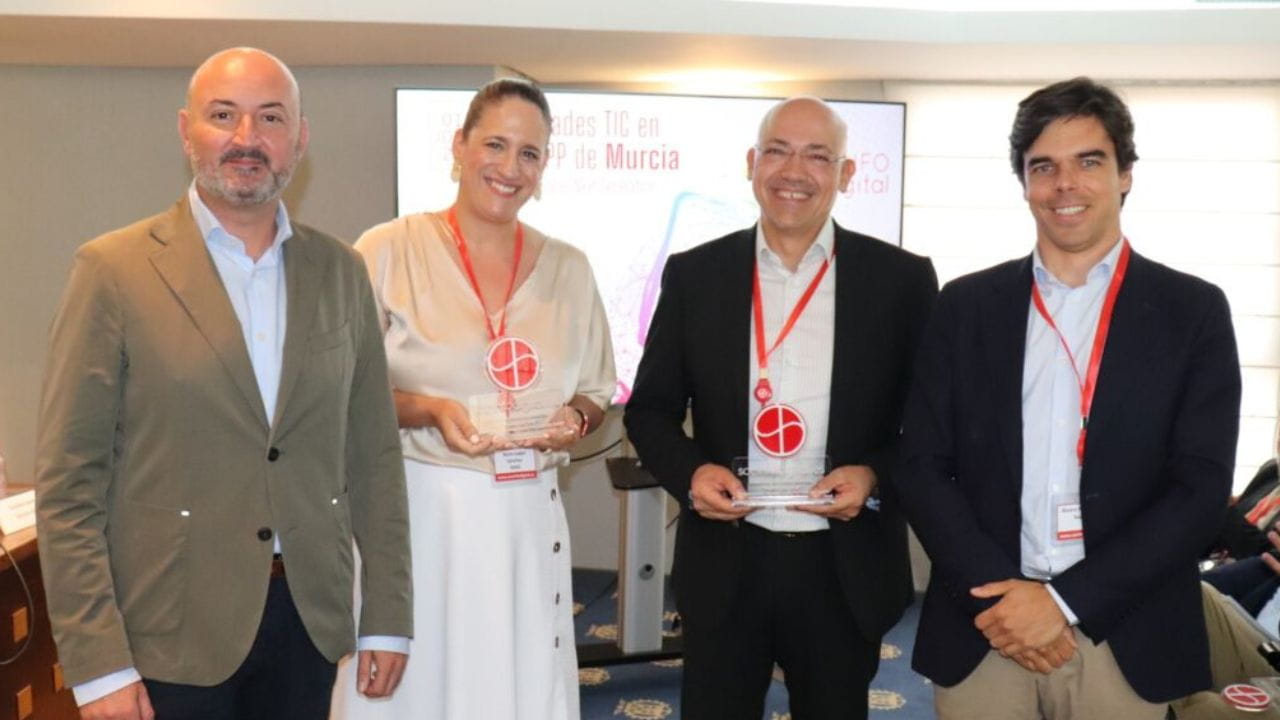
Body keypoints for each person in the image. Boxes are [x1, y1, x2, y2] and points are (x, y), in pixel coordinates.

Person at [34, 47, 412, 720]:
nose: (247, 138)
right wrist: (97, 666)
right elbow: (69, 485)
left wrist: (386, 615)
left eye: (270, 118)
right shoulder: (112, 271)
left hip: (308, 624)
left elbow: (375, 458)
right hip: (169, 633)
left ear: (299, 139)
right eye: (223, 115)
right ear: (187, 131)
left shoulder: (342, 273)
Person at [897, 77, 1242, 719]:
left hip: (1124, 628)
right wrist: (1007, 605)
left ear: (1125, 174)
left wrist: (1060, 603)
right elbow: (920, 464)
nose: (1066, 185)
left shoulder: (1191, 311)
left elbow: (1197, 488)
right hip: (987, 624)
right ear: (1024, 182)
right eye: (1043, 167)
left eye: (1089, 161)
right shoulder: (966, 306)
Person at [624, 96, 938, 719]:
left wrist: (874, 475)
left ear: (846, 174)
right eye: (778, 150)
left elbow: (929, 426)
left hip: (841, 561)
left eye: (818, 155)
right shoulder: (696, 275)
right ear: (752, 163)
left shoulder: (900, 281)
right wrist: (690, 474)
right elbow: (650, 411)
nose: (794, 171)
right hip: (728, 559)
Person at [331, 78, 615, 720]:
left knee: (515, 688)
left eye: (530, 154)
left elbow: (596, 389)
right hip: (421, 511)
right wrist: (430, 409)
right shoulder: (387, 250)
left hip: (525, 515)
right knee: (418, 687)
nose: (510, 168)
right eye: (495, 144)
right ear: (458, 146)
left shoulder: (570, 268)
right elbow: (341, 391)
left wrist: (576, 418)